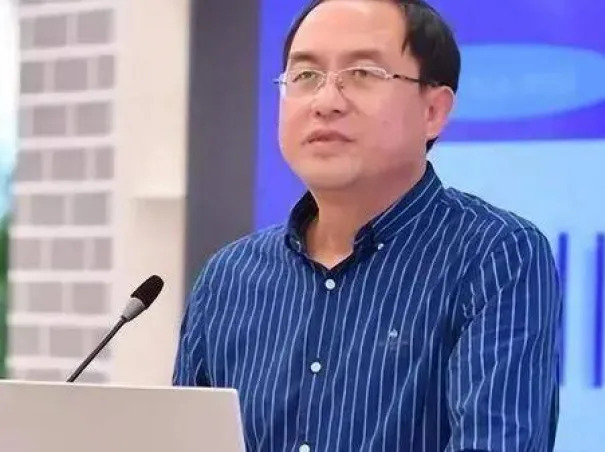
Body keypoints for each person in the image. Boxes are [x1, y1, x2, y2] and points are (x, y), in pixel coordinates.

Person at [172, 0, 561, 451]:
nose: (326, 102)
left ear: (433, 111)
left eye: (362, 74)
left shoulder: (496, 256)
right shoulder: (229, 278)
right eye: (305, 75)